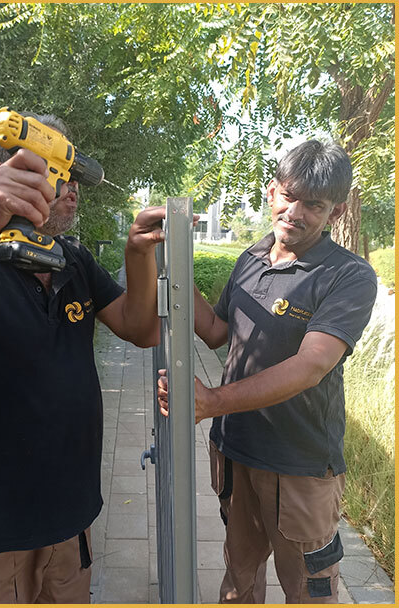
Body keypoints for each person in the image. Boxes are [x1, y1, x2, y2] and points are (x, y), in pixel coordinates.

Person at [0, 112, 165, 604]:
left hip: (68, 522)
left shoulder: (74, 260)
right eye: (55, 173)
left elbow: (141, 328)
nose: (70, 189)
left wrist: (138, 253)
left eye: (70, 177)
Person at [158, 140, 377, 604]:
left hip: (300, 467)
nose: (295, 212)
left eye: (313, 205)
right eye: (289, 196)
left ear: (334, 213)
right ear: (271, 191)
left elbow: (312, 365)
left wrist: (210, 402)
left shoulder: (347, 275)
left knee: (308, 593)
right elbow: (217, 332)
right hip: (237, 453)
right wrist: (175, 267)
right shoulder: (252, 258)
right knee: (239, 582)